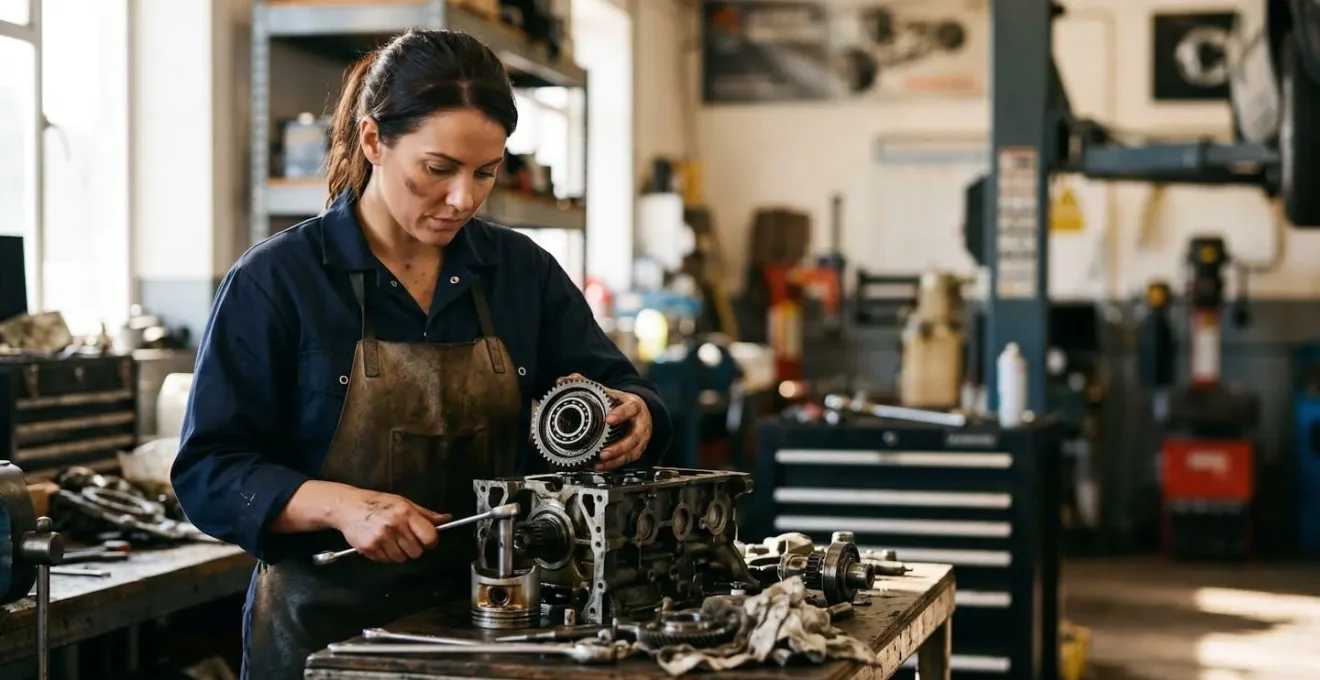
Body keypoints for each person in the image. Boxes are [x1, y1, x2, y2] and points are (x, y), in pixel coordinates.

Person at [170, 28, 672, 680]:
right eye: (438, 170)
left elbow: (625, 390)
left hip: (495, 625)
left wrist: (637, 416)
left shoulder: (520, 273)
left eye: (485, 173)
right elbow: (209, 473)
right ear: (375, 140)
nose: (464, 198)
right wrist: (340, 505)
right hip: (325, 639)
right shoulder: (280, 282)